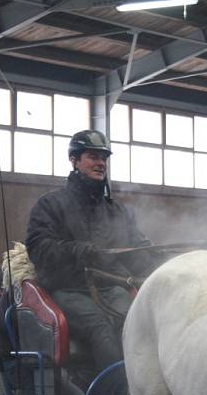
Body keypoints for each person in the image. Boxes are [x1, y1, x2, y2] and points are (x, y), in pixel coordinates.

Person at [25, 129, 152, 374]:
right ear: (74, 160)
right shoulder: (50, 205)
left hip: (111, 289)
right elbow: (39, 248)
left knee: (137, 324)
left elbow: (138, 252)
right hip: (68, 291)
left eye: (103, 158)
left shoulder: (117, 212)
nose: (100, 163)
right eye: (93, 157)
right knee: (100, 327)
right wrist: (82, 251)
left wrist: (165, 263)